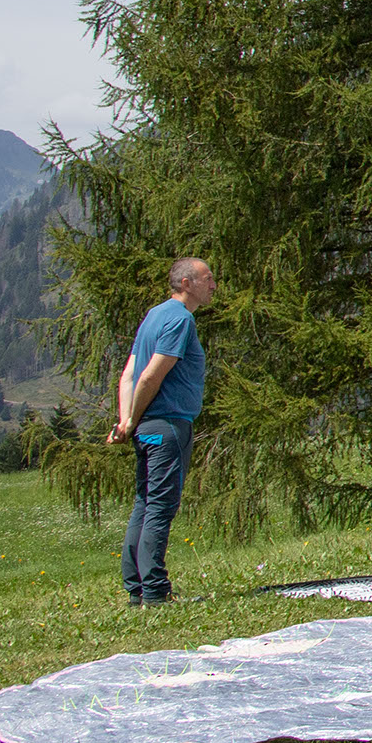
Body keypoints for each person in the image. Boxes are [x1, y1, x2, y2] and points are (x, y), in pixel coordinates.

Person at [112, 256, 217, 605]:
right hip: (168, 424)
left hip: (145, 427)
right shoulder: (180, 320)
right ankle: (156, 592)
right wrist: (132, 418)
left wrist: (127, 421)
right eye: (207, 278)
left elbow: (128, 375)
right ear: (186, 284)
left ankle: (136, 590)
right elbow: (150, 376)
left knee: (144, 504)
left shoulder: (153, 315)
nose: (213, 285)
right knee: (160, 507)